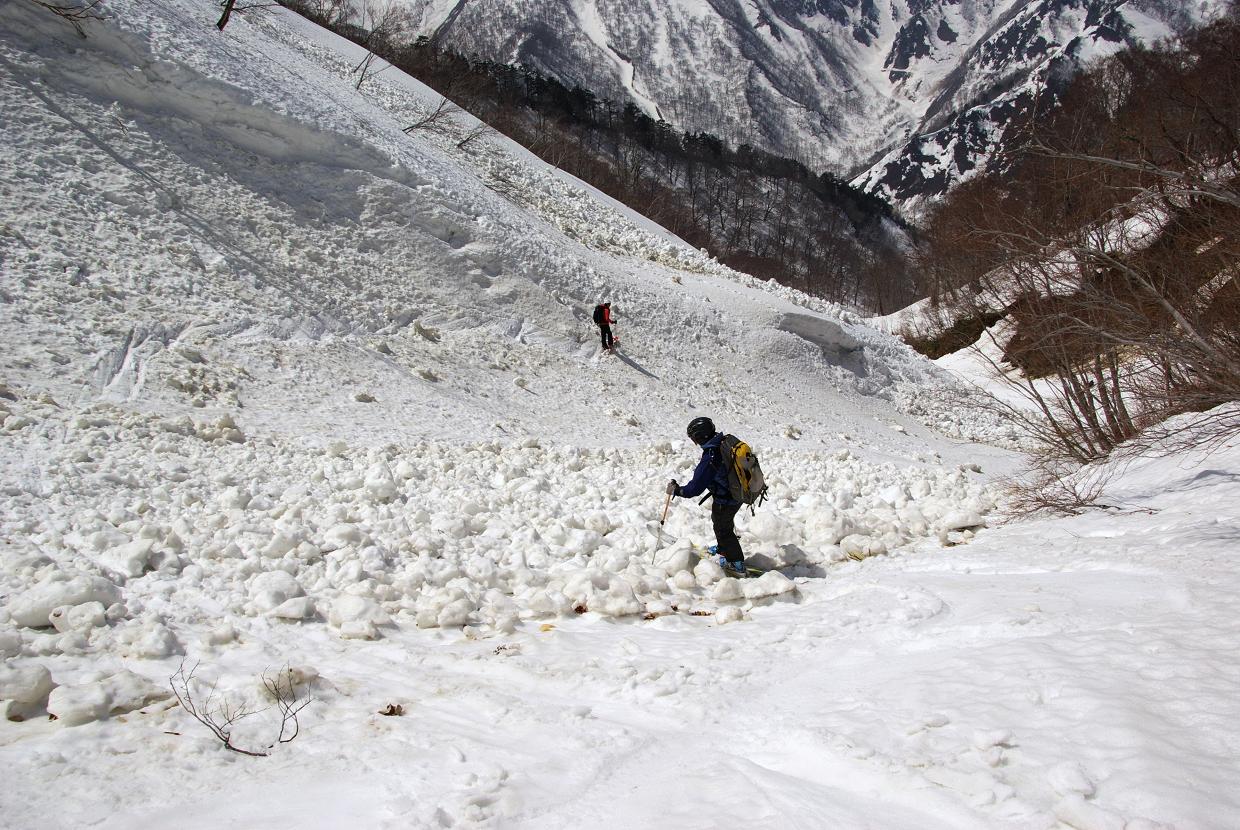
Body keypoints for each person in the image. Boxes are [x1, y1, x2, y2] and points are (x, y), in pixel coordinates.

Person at [666, 416, 746, 576]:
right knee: (721, 523)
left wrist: (677, 490)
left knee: (723, 529)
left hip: (727, 499)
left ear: (700, 436)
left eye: (693, 438)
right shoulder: (724, 443)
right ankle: (724, 549)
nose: (694, 442)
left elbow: (694, 488)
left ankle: (737, 564)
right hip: (737, 493)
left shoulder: (711, 457)